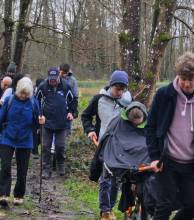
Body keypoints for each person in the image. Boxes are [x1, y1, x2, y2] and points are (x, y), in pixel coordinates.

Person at [146, 52, 194, 220]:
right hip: (167, 160)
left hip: (191, 164)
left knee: (193, 206)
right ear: (178, 76)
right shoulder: (164, 95)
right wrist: (154, 157)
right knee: (165, 204)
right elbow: (151, 126)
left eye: (190, 80)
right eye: (183, 78)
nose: (186, 83)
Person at [81, 70, 132, 220]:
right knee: (105, 178)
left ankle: (109, 209)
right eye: (117, 89)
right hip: (104, 143)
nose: (120, 92)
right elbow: (85, 115)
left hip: (121, 146)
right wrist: (90, 130)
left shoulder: (130, 102)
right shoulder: (99, 99)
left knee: (116, 179)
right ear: (111, 86)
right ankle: (105, 211)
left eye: (123, 89)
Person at [0, 77, 45, 206]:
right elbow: (1, 117)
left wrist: (41, 121)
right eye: (21, 93)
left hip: (25, 139)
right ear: (17, 90)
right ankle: (3, 194)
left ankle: (19, 195)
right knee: (6, 166)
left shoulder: (33, 102)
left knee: (22, 169)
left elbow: (38, 120)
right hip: (7, 137)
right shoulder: (10, 100)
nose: (23, 96)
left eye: (26, 94)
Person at [36, 67, 77, 178]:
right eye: (51, 78)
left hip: (61, 121)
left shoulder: (65, 86)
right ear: (48, 77)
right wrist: (40, 114)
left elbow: (73, 100)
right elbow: (36, 101)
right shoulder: (43, 86)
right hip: (47, 121)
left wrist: (71, 112)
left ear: (59, 76)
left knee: (60, 146)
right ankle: (45, 169)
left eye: (55, 78)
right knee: (45, 147)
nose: (53, 81)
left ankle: (61, 165)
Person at [59, 63, 78, 135]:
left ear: (67, 72)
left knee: (67, 130)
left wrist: (74, 110)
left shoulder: (72, 80)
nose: (63, 75)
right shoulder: (54, 78)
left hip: (68, 109)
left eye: (65, 73)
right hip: (56, 108)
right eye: (62, 73)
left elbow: (75, 96)